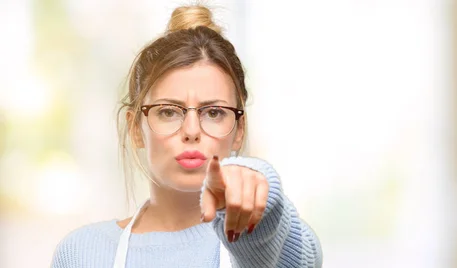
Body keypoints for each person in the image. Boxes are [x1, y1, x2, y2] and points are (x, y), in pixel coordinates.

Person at [51, 4, 322, 268]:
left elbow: (297, 257)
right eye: (169, 112)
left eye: (214, 112)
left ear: (239, 129)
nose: (191, 131)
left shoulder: (269, 241)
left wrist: (260, 188)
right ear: (136, 129)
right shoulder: (81, 253)